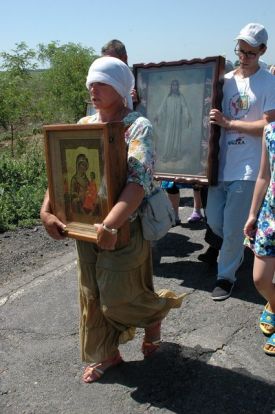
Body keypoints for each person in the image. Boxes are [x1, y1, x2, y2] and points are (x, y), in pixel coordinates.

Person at [40, 56, 184, 383]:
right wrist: (46, 210)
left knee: (120, 295)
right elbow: (60, 177)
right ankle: (108, 354)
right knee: (91, 291)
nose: (93, 88)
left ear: (120, 88)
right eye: (91, 82)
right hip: (84, 229)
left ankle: (155, 315)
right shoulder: (82, 125)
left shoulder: (138, 127)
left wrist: (111, 225)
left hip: (123, 228)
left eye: (101, 82)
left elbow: (137, 182)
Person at [205, 22, 275, 300]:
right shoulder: (225, 80)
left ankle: (225, 276)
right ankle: (250, 243)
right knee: (214, 221)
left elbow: (268, 126)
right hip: (219, 163)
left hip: (250, 166)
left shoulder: (269, 82)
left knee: (232, 227)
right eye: (240, 51)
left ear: (262, 51)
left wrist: (229, 122)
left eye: (250, 53)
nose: (243, 57)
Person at [243, 122, 275, 355]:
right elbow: (264, 175)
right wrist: (253, 214)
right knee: (260, 279)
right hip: (270, 216)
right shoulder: (270, 130)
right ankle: (273, 303)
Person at [154, 79, 191, 162]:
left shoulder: (180, 97)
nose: (174, 87)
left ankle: (175, 155)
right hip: (169, 121)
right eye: (173, 85)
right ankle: (166, 155)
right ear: (171, 86)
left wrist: (187, 117)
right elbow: (162, 107)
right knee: (168, 137)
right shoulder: (168, 96)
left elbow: (184, 107)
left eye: (176, 85)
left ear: (178, 86)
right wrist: (157, 115)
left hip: (177, 121)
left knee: (176, 138)